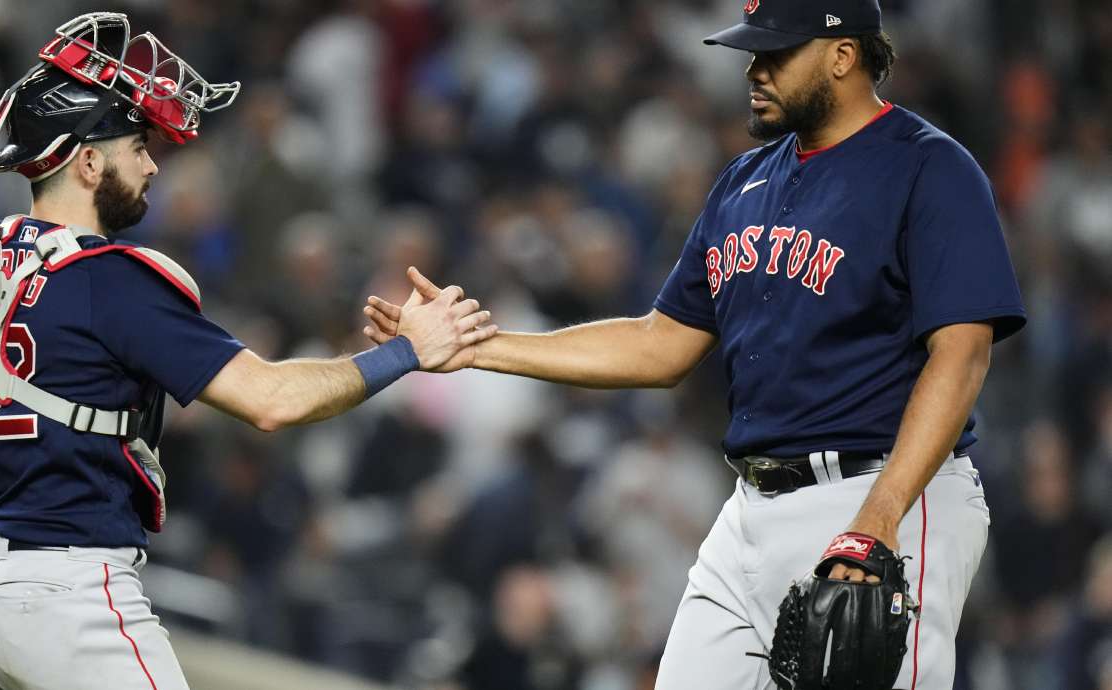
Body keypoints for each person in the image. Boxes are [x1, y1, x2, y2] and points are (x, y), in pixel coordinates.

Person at [363, 0, 1026, 687]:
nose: (754, 70)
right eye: (753, 53)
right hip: (751, 506)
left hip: (884, 494)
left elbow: (963, 354)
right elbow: (660, 345)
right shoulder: (744, 183)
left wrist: (877, 519)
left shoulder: (929, 169)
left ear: (842, 55)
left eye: (776, 54)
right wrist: (478, 347)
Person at [0, 13, 495, 690]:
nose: (152, 162)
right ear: (88, 159)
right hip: (66, 598)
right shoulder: (115, 279)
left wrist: (3, 545)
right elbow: (273, 400)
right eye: (137, 144)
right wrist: (407, 352)